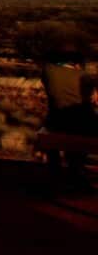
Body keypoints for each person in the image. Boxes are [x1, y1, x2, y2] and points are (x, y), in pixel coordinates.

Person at [41, 46, 98, 178]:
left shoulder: (48, 71)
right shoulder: (85, 76)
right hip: (82, 126)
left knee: (54, 128)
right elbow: (94, 100)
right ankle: (76, 169)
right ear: (77, 64)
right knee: (85, 124)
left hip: (55, 124)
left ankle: (55, 171)